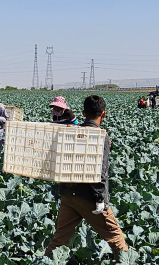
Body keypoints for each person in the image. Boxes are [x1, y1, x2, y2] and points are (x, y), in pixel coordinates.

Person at [45, 94, 128, 255]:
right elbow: (100, 171)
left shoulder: (72, 132)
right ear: (103, 113)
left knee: (59, 239)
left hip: (68, 194)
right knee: (114, 235)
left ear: (83, 114)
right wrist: (100, 199)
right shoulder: (100, 136)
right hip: (89, 196)